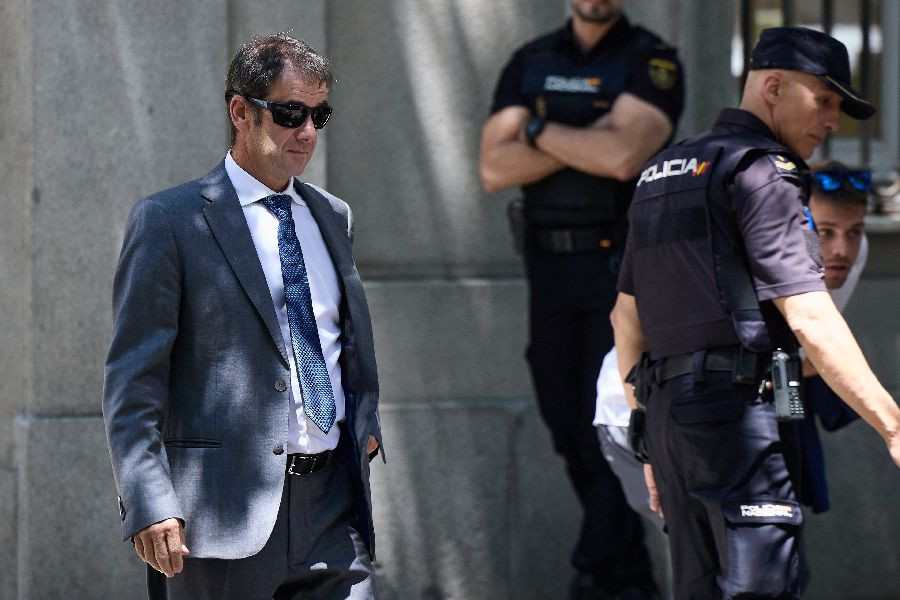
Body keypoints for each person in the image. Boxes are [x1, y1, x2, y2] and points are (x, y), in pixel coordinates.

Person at [611, 27, 899, 600]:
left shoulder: (661, 170)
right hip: (738, 414)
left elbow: (626, 320)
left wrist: (647, 439)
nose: (832, 121)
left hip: (668, 419)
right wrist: (892, 424)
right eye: (824, 100)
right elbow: (809, 315)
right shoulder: (764, 171)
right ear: (773, 88)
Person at [102, 34, 382, 600]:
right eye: (290, 113)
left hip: (331, 506)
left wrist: (364, 421)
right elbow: (134, 381)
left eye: (319, 115)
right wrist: (148, 498)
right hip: (221, 516)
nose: (307, 131)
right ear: (240, 112)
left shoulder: (333, 216)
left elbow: (337, 340)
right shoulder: (169, 221)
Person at [479, 1, 684, 597]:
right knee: (566, 422)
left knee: (609, 420)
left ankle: (596, 571)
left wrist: (536, 130)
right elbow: (493, 166)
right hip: (548, 268)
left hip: (617, 265)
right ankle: (629, 576)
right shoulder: (531, 60)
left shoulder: (651, 60)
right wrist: (590, 138)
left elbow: (623, 157)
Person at [790, 160, 870, 513]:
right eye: (824, 232)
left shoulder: (855, 252)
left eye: (854, 232)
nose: (841, 250)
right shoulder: (764, 253)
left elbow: (814, 354)